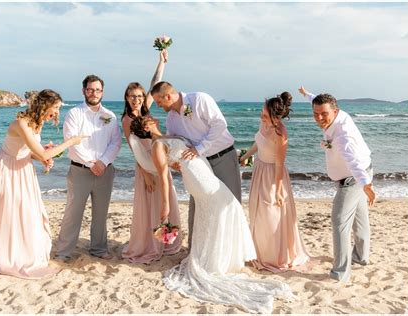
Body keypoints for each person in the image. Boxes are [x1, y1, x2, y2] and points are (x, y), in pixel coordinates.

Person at [129, 116, 292, 314]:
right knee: (227, 206)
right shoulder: (156, 146)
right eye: (147, 118)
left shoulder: (167, 136)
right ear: (146, 126)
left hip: (203, 172)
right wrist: (166, 206)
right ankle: (215, 260)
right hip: (199, 180)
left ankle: (221, 256)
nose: (152, 116)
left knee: (226, 209)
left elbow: (179, 158)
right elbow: (164, 177)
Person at [0, 89, 86, 279]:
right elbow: (39, 153)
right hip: (6, 170)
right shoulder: (22, 123)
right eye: (55, 108)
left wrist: (43, 156)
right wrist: (71, 142)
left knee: (27, 213)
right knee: (9, 213)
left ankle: (22, 252)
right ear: (44, 105)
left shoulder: (36, 124)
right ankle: (5, 255)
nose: (56, 113)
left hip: (23, 169)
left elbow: (30, 151)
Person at [150, 81, 241, 250]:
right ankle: (196, 251)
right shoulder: (171, 119)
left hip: (223, 156)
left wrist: (199, 149)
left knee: (230, 203)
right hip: (199, 167)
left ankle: (232, 249)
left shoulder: (199, 99)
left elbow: (220, 124)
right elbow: (173, 143)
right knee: (198, 206)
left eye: (159, 101)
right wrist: (174, 160)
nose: (158, 105)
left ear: (168, 96)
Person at [299, 86, 376, 282]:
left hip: (353, 178)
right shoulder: (335, 112)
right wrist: (307, 94)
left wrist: (366, 185)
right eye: (315, 114)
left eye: (324, 114)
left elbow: (353, 161)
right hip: (363, 171)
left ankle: (340, 273)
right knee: (360, 218)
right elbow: (317, 100)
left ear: (335, 111)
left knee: (339, 222)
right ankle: (361, 257)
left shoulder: (343, 136)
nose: (319, 118)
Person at [121, 50, 182, 263]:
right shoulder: (127, 120)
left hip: (161, 160)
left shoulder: (146, 110)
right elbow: (134, 149)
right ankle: (150, 243)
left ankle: (168, 243)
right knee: (150, 207)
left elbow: (155, 82)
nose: (137, 99)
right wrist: (145, 173)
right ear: (127, 99)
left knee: (167, 201)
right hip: (146, 167)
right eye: (132, 96)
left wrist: (161, 62)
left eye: (139, 96)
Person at [240, 92, 310, 273]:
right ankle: (258, 252)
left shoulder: (280, 134)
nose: (261, 117)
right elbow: (258, 143)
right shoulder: (264, 124)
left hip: (273, 176)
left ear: (276, 117)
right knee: (258, 213)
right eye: (262, 113)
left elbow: (280, 164)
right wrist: (246, 156)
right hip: (259, 170)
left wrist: (279, 190)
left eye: (265, 115)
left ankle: (273, 257)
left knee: (271, 214)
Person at [55, 75, 122, 261]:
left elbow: (116, 142)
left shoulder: (110, 116)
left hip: (105, 171)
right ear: (84, 90)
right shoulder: (74, 113)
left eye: (98, 90)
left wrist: (103, 162)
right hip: (80, 171)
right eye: (91, 89)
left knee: (101, 213)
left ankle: (99, 249)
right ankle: (64, 252)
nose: (94, 93)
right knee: (73, 213)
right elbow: (72, 141)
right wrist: (92, 163)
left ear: (103, 92)